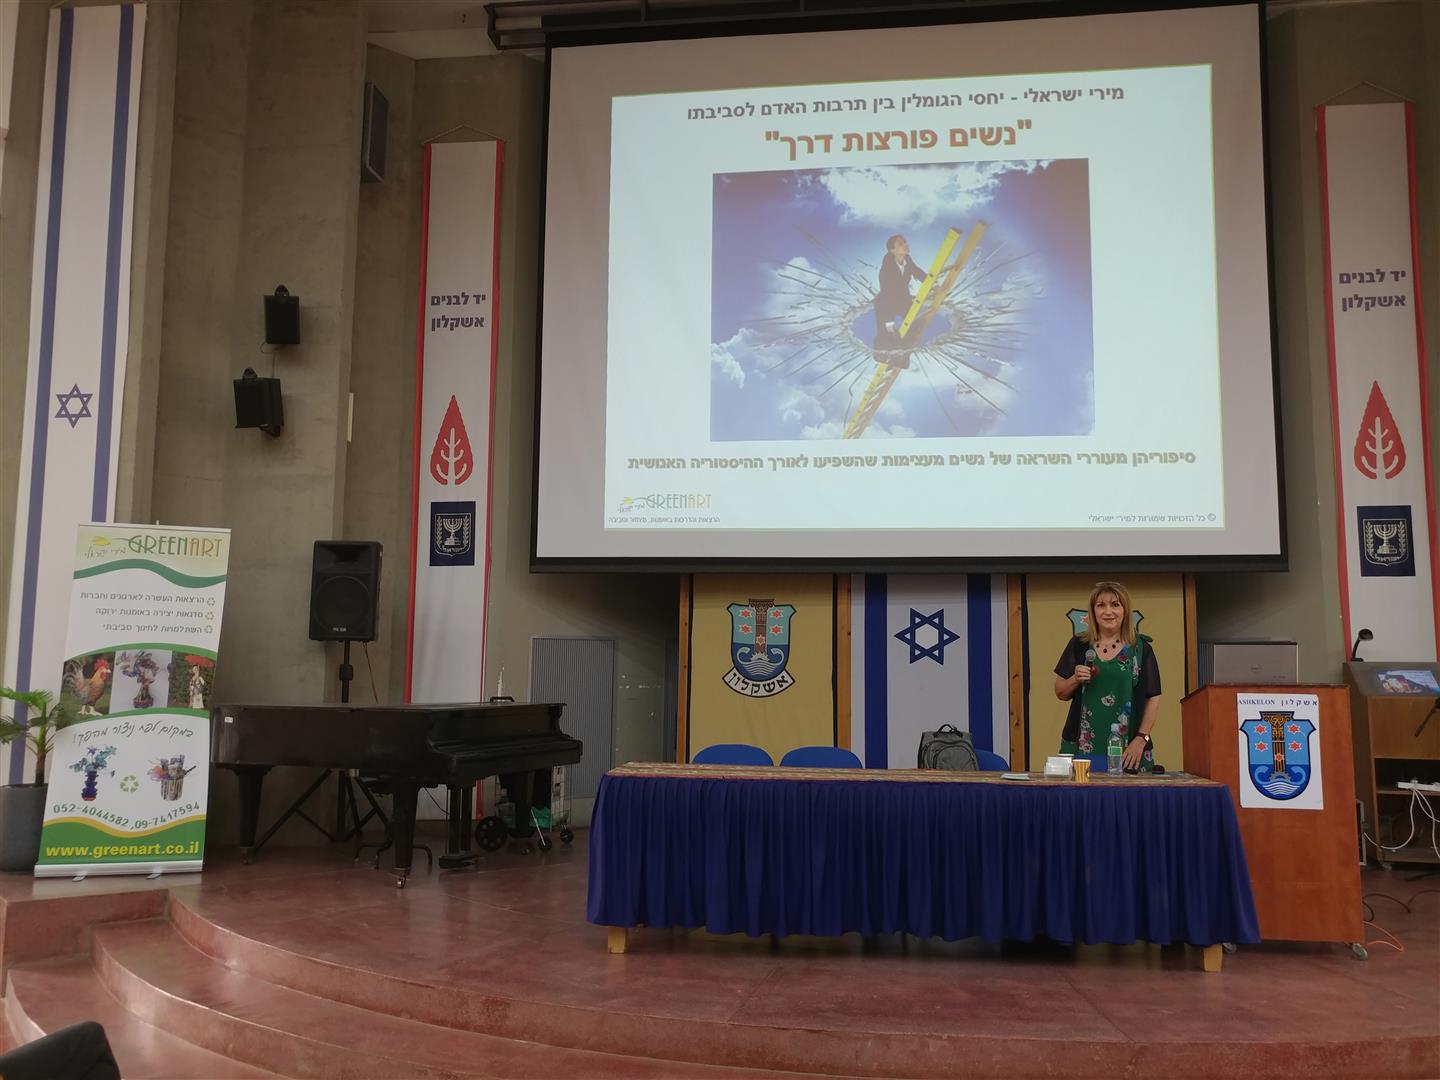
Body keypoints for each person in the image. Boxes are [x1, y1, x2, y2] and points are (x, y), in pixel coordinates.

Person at [1053, 581, 1160, 772]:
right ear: (1093, 611)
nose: (1108, 612)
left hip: (1130, 748)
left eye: (1115, 605)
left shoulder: (1141, 648)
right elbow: (1060, 692)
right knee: (1081, 791)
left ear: (1125, 611)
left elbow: (1153, 697)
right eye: (1101, 605)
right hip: (1082, 745)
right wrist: (1075, 679)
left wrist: (1141, 738)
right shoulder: (1079, 644)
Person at [873, 234, 928, 367]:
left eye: (905, 242)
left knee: (915, 325)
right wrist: (889, 321)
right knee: (888, 332)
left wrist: (931, 283)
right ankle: (880, 356)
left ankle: (902, 358)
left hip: (902, 300)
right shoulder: (887, 268)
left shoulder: (907, 259)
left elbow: (916, 271)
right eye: (901, 244)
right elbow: (887, 294)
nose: (905, 244)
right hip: (885, 304)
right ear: (892, 250)